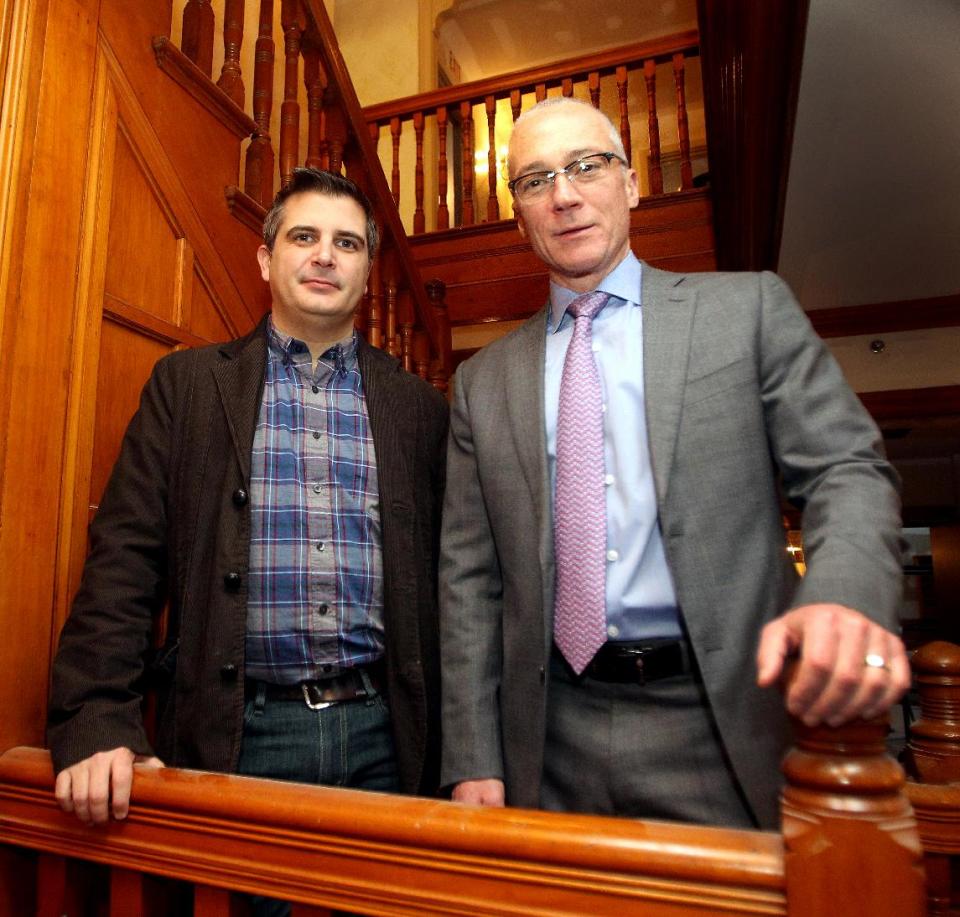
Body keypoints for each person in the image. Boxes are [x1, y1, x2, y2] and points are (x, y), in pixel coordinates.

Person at [438, 98, 909, 829]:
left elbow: (845, 468)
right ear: (519, 215)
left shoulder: (747, 310)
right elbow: (469, 577)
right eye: (535, 180)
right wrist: (473, 753)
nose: (563, 194)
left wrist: (844, 594)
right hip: (549, 735)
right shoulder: (482, 380)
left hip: (724, 720)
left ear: (630, 185)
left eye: (586, 166)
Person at [49, 168, 448, 827]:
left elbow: (453, 591)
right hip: (237, 737)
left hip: (387, 741)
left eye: (347, 243)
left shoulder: (419, 410)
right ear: (267, 258)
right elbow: (125, 560)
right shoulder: (188, 387)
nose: (325, 254)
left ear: (369, 269)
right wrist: (96, 716)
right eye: (304, 236)